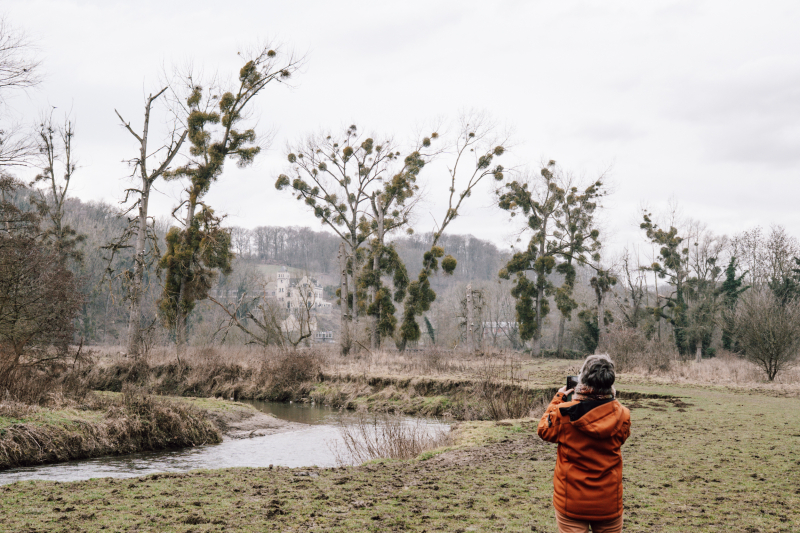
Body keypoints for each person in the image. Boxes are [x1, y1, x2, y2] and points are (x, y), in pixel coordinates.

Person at [537, 354, 631, 533]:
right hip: (608, 503)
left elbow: (543, 430)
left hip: (571, 502)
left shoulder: (564, 413)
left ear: (583, 380)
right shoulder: (622, 415)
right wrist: (611, 398)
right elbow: (622, 436)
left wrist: (559, 397)